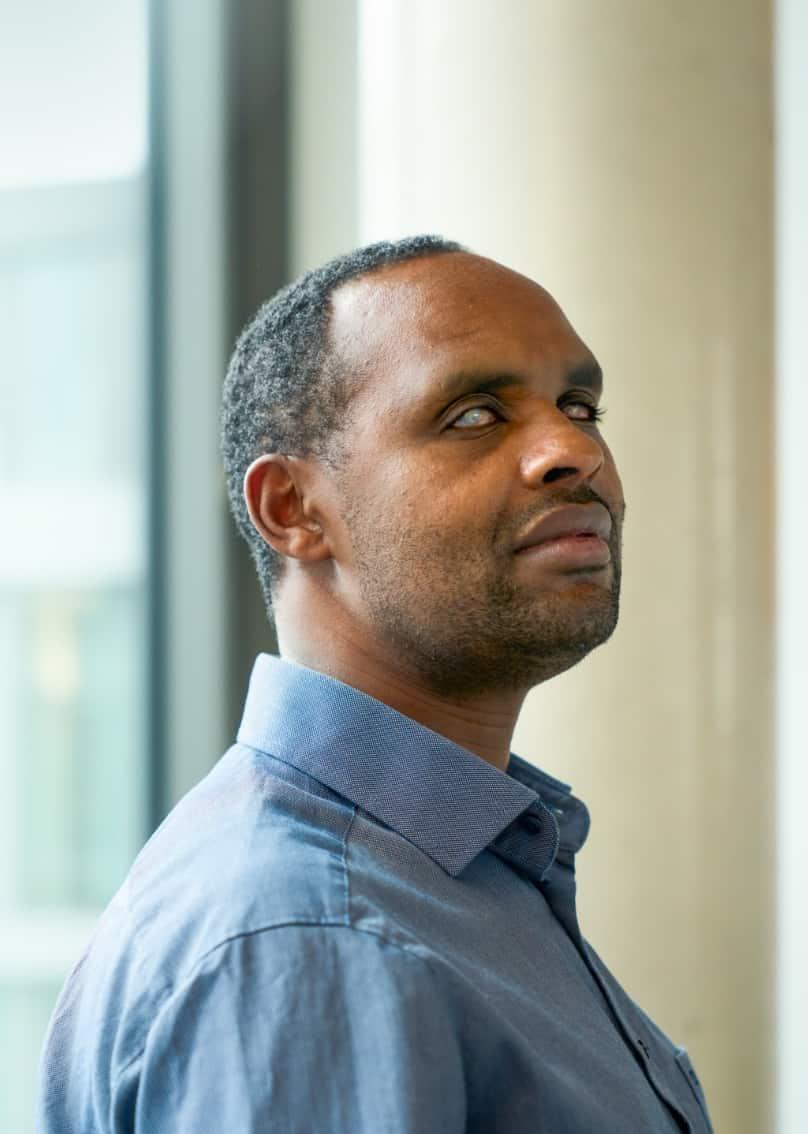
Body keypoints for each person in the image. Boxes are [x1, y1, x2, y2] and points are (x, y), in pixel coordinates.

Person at [37, 235, 714, 1132]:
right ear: (295, 510)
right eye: (473, 415)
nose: (572, 451)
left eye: (579, 405)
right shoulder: (316, 937)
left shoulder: (452, 879)